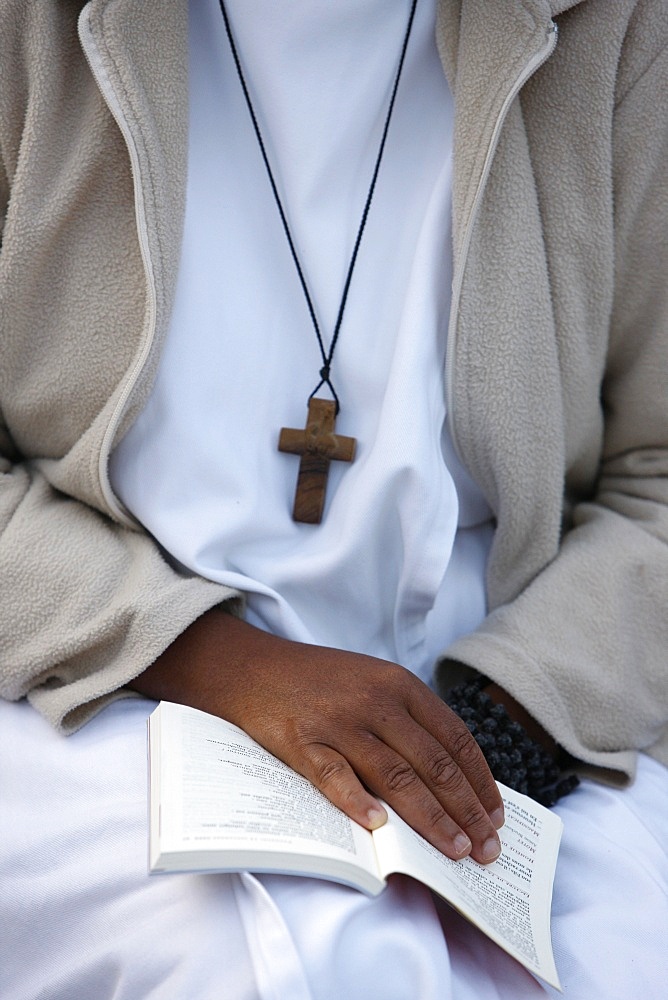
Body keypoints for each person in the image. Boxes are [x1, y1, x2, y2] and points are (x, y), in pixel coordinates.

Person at [1, 0, 667, 997]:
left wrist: (494, 731)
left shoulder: (616, 25)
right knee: (278, 966)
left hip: (520, 706)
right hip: (95, 685)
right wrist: (214, 657)